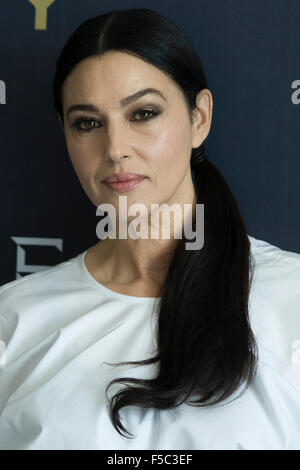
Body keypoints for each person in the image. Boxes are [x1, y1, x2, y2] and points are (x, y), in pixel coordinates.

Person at [0, 8, 300, 450]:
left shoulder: (292, 299)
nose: (115, 148)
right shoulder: (14, 319)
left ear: (199, 118)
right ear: (65, 134)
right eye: (87, 122)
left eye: (142, 113)